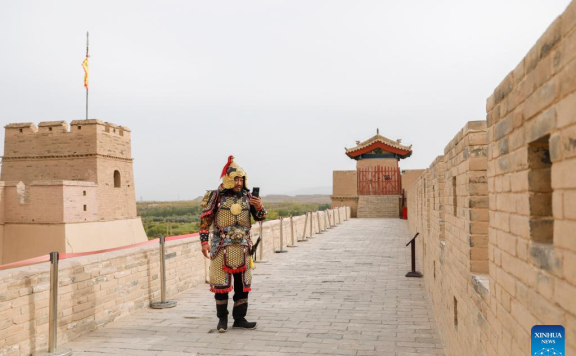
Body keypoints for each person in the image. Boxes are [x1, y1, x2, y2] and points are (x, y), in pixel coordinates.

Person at [199, 155, 267, 332]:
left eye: (241, 179)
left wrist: (259, 207)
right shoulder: (216, 196)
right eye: (236, 179)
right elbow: (205, 220)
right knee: (221, 284)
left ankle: (240, 318)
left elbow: (261, 217)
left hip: (243, 247)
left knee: (242, 284)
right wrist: (204, 242)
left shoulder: (248, 196)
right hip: (221, 247)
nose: (239, 182)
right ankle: (222, 320)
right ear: (228, 179)